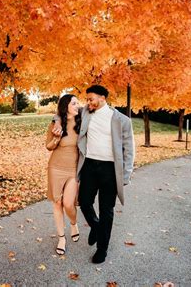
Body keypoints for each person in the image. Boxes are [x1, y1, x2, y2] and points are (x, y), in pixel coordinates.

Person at [52, 85, 135, 264]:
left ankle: (102, 249)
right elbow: (61, 112)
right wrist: (57, 122)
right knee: (84, 201)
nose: (87, 102)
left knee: (107, 210)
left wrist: (126, 175)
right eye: (87, 99)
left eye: (91, 99)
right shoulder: (86, 113)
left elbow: (129, 150)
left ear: (102, 98)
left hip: (110, 170)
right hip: (89, 165)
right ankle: (96, 227)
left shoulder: (122, 120)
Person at [46, 94, 82, 256]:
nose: (77, 105)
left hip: (73, 169)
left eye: (77, 103)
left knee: (69, 203)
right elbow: (49, 146)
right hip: (55, 167)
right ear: (66, 106)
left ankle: (73, 223)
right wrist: (56, 138)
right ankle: (61, 238)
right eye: (74, 103)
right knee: (57, 203)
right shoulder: (55, 123)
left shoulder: (82, 121)